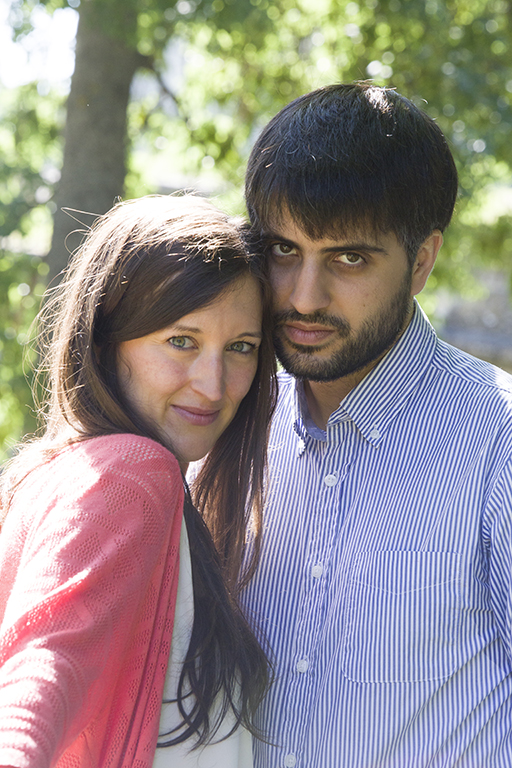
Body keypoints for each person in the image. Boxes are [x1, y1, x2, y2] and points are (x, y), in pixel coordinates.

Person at [240, 82, 512, 767]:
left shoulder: (498, 440)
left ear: (421, 262)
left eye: (349, 258)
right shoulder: (228, 427)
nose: (304, 297)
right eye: (283, 251)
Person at [0, 194, 277, 768]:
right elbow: (44, 664)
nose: (213, 385)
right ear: (105, 340)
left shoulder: (52, 473)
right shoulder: (130, 472)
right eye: (181, 341)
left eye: (241, 348)